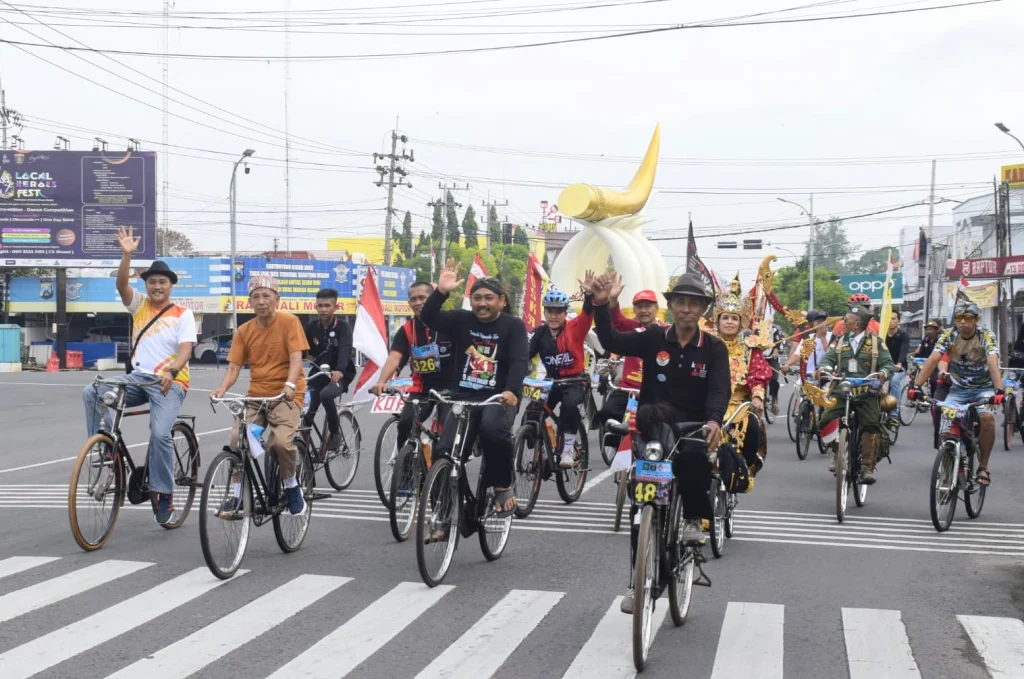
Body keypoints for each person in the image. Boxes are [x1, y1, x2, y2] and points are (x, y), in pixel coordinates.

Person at [590, 271, 730, 614]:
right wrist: (602, 303)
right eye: (680, 302)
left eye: (693, 304)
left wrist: (713, 421)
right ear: (671, 306)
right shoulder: (652, 338)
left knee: (696, 461)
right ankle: (636, 583)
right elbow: (611, 341)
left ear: (702, 310)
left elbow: (719, 391)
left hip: (693, 427)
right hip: (654, 427)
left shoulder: (714, 348)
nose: (686, 309)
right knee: (643, 508)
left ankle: (694, 521)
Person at [82, 226, 197, 526]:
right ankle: (105, 447)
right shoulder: (140, 305)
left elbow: (186, 350)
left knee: (159, 433)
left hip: (168, 383)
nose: (157, 286)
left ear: (171, 286)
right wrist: (126, 254)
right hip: (137, 379)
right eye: (152, 282)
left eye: (162, 282)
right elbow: (122, 286)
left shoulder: (182, 314)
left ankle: (164, 491)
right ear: (146, 285)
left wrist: (172, 371)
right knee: (92, 392)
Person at [420, 260, 529, 518]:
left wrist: (512, 390)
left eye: (488, 298)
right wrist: (441, 292)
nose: (482, 303)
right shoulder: (461, 320)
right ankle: (442, 516)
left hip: (499, 397)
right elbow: (428, 317)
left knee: (493, 430)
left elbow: (519, 362)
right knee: (443, 453)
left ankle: (502, 484)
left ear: (502, 301)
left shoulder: (513, 326)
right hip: (463, 397)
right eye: (476, 298)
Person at [210, 275, 310, 515]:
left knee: (280, 443)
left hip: (285, 395)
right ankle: (237, 497)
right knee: (237, 439)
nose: (261, 301)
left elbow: (296, 358)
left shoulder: (290, 322)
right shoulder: (244, 331)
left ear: (277, 299)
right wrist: (221, 389)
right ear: (249, 302)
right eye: (256, 297)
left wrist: (289, 385)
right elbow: (234, 367)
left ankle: (291, 485)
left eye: (266, 296)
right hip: (256, 396)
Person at [910, 299, 1003, 488]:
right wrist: (916, 386)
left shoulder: (986, 335)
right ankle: (949, 469)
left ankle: (983, 467)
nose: (963, 322)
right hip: (957, 390)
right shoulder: (948, 335)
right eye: (959, 318)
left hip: (983, 389)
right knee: (945, 431)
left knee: (987, 419)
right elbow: (934, 359)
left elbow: (993, 362)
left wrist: (999, 390)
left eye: (967, 318)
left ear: (976, 319)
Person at [816, 303, 896, 484]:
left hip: (867, 392)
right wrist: (824, 368)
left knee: (871, 424)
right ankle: (837, 451)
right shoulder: (839, 341)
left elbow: (888, 364)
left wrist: (883, 373)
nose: (842, 323)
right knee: (825, 419)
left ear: (857, 324)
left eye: (846, 321)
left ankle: (868, 467)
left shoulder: (876, 343)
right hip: (842, 391)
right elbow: (827, 359)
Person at [371, 281, 455, 453]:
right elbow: (395, 357)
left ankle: (445, 468)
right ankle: (406, 468)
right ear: (409, 303)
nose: (417, 302)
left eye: (422, 298)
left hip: (451, 388)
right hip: (422, 387)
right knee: (405, 423)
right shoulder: (407, 330)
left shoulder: (450, 323)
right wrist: (382, 381)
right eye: (413, 299)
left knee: (447, 432)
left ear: (433, 299)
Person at [526, 280, 595, 468]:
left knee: (570, 407)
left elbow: (588, 315)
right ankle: (545, 444)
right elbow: (525, 355)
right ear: (545, 312)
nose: (554, 316)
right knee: (531, 413)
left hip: (575, 381)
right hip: (552, 382)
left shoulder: (575, 329)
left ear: (565, 313)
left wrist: (589, 297)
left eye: (558, 312)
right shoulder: (539, 333)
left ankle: (568, 450)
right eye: (550, 311)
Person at [595, 274, 667, 451]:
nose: (644, 310)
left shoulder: (666, 332)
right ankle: (616, 445)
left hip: (652, 391)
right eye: (639, 307)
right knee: (607, 413)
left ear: (657, 308)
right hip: (628, 389)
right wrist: (612, 299)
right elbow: (616, 321)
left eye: (648, 306)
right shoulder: (631, 327)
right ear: (634, 310)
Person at [711, 276, 772, 478]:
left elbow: (758, 375)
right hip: (707, 403)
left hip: (738, 405)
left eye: (734, 318)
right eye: (725, 317)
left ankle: (742, 470)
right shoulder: (705, 345)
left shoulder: (749, 349)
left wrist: (756, 398)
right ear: (717, 320)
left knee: (752, 425)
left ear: (740, 323)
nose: (729, 322)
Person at [303, 288, 354, 452]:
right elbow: (303, 350)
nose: (323, 309)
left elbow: (345, 350)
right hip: (318, 373)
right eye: (320, 306)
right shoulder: (311, 327)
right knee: (306, 411)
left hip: (341, 373)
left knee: (326, 395)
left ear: (335, 307)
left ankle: (334, 433)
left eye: (327, 305)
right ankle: (303, 448)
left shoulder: (343, 327)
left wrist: (339, 370)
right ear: (315, 307)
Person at [884, 309, 910, 427]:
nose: (890, 321)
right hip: (883, 367)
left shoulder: (903, 335)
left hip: (897, 368)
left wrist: (899, 363)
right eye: (888, 318)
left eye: (893, 319)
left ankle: (894, 413)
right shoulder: (881, 334)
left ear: (898, 321)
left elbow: (903, 350)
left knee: (894, 381)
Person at [762, 323, 785, 415]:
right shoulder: (756, 328)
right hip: (760, 357)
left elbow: (777, 344)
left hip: (772, 358)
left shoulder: (774, 329)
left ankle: (774, 400)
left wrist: (775, 352)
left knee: (774, 379)